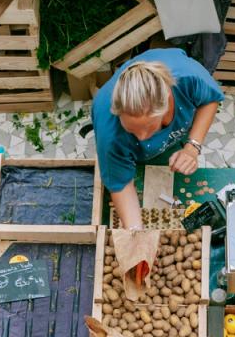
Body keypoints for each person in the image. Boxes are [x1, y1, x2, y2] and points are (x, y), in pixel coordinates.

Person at [92, 48, 224, 229]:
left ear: (168, 102)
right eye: (131, 130)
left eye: (149, 128)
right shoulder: (109, 131)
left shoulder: (188, 79)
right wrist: (136, 235)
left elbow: (210, 101)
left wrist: (192, 147)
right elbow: (121, 185)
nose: (142, 138)